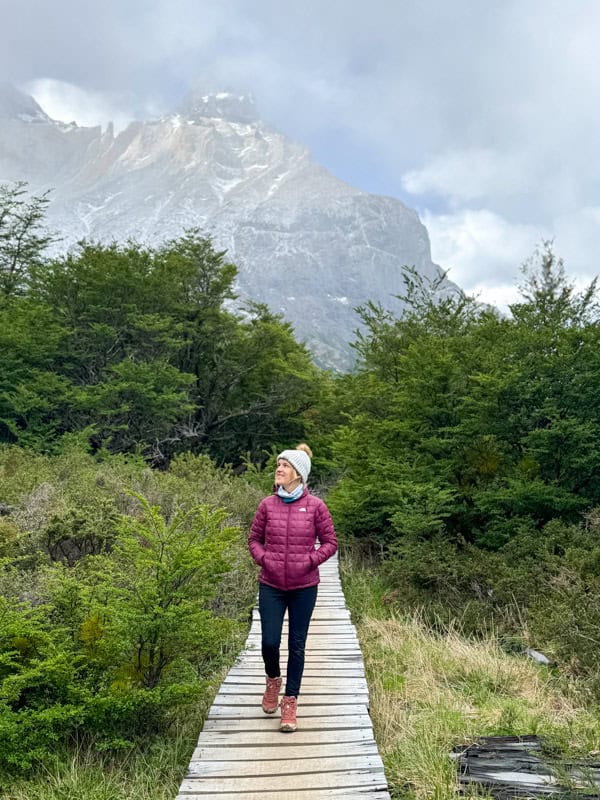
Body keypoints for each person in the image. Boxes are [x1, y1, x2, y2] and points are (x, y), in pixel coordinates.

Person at [248, 443, 338, 732]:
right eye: (278, 464)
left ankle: (290, 701)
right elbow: (253, 540)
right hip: (271, 584)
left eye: (285, 465)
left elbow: (331, 543)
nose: (279, 468)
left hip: (304, 587)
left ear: (298, 473)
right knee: (269, 642)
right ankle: (272, 680)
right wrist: (265, 560)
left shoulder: (316, 507)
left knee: (296, 645)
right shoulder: (266, 505)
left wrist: (310, 561)